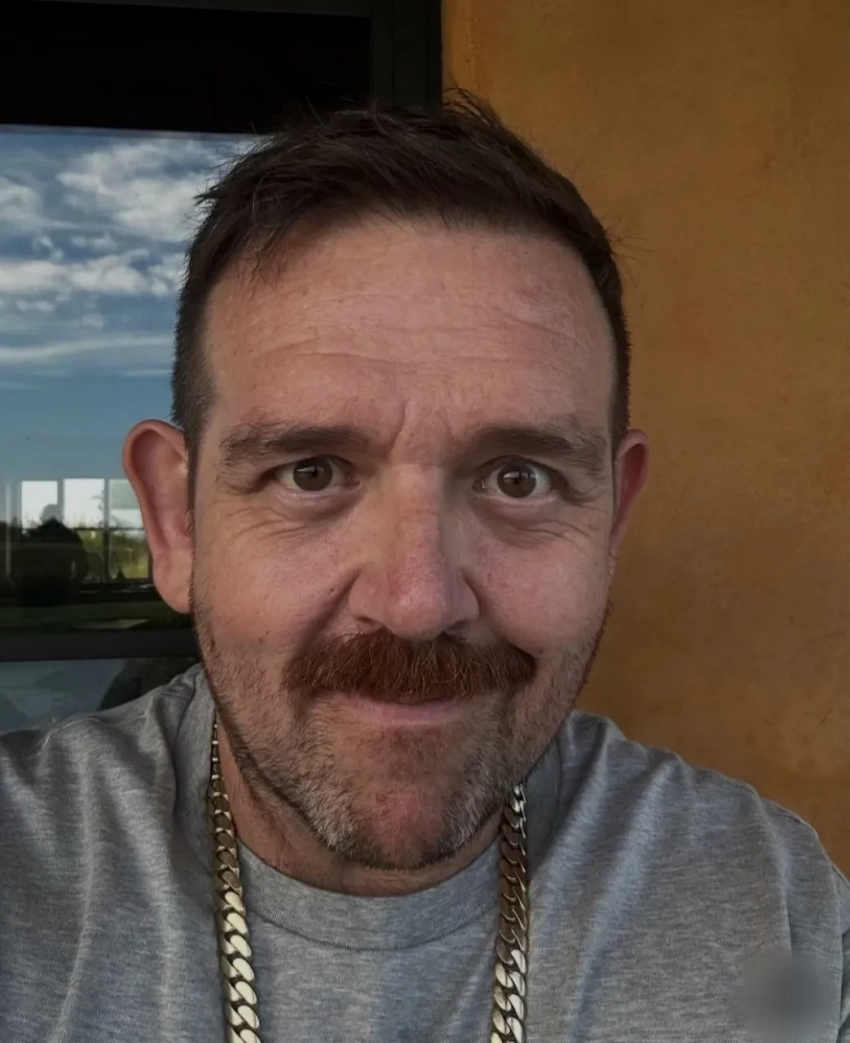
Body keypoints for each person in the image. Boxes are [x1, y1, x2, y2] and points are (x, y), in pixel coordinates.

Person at [0, 95, 846, 1043]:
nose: (417, 602)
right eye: (311, 473)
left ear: (612, 517)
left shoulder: (771, 901)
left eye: (519, 478)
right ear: (175, 522)